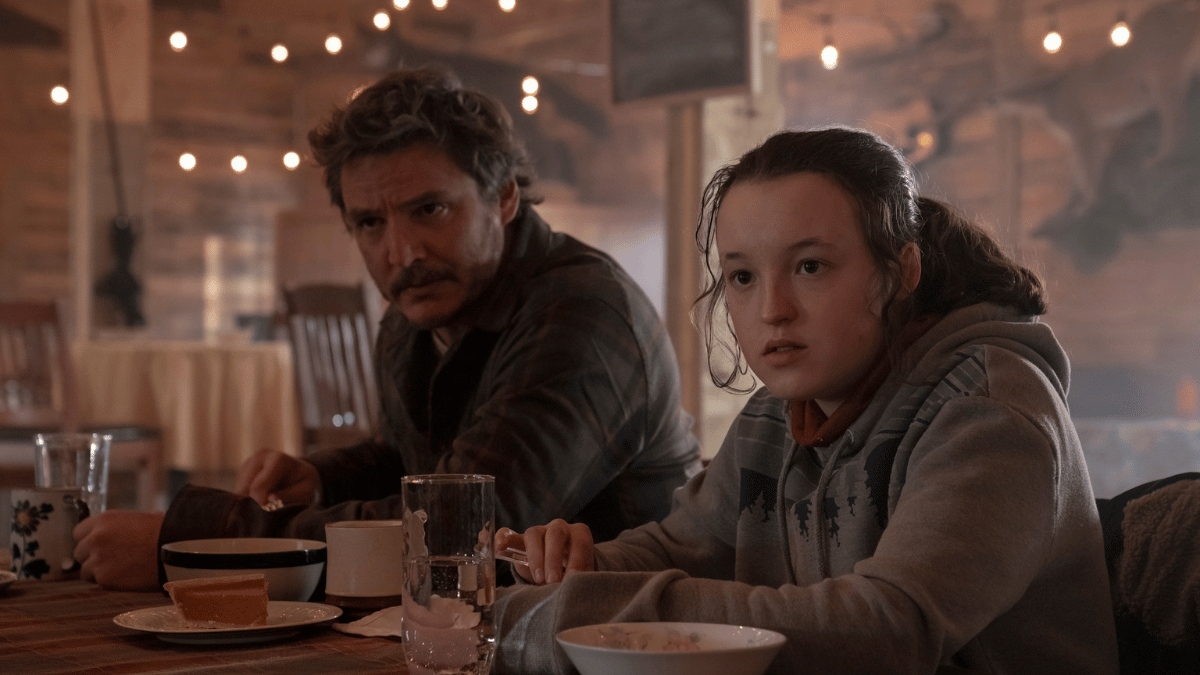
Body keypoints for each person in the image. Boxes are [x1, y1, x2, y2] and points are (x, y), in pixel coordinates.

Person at [491, 127, 1119, 674]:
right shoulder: (778, 414)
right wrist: (577, 564)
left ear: (900, 272)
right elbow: (682, 547)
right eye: (742, 277)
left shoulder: (986, 412)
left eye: (811, 266)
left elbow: (890, 631)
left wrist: (587, 611)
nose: (771, 311)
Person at [73, 67, 701, 591]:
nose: (401, 253)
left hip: (601, 642)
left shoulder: (582, 315)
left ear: (505, 198)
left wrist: (192, 543)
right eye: (370, 223)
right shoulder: (419, 310)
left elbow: (462, 531)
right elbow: (414, 456)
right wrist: (322, 475)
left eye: (429, 209)